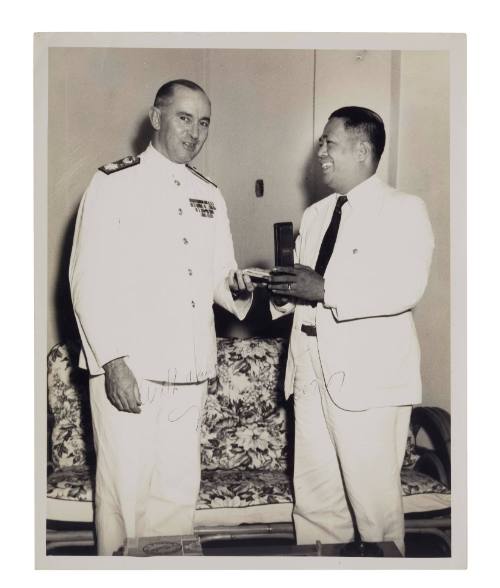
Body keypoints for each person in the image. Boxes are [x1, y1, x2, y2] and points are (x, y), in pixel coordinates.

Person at [69, 79, 254, 555]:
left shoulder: (209, 194)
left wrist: (243, 287)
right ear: (156, 118)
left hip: (189, 371)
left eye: (204, 121)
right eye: (184, 118)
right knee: (125, 497)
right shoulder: (113, 182)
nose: (195, 132)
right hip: (131, 369)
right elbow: (86, 279)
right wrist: (112, 362)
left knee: (176, 498)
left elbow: (218, 277)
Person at [269, 106, 434, 556]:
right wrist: (278, 292)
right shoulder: (317, 214)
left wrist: (323, 289)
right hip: (309, 374)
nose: (319, 152)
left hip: (368, 383)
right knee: (317, 507)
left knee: (374, 510)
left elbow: (406, 287)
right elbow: (305, 294)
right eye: (321, 143)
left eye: (329, 143)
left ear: (362, 151)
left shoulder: (403, 210)